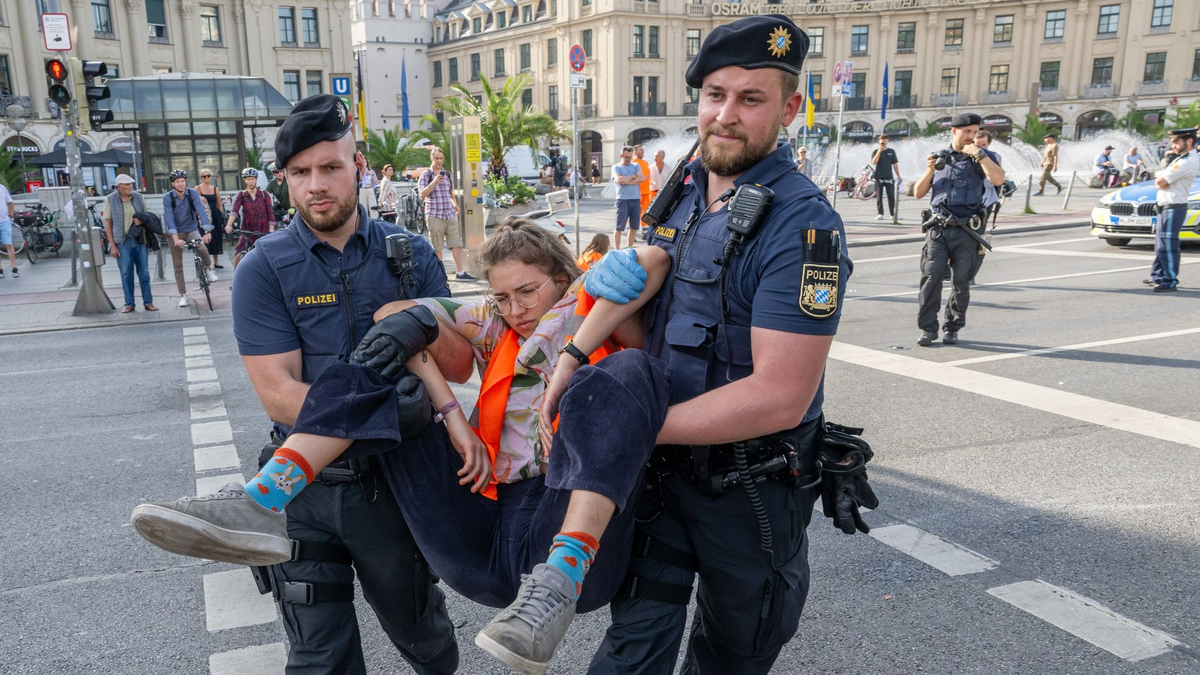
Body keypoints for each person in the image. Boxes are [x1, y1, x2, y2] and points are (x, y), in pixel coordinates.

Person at [133, 215, 670, 675]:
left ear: (560, 278)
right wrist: (451, 413)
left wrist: (570, 362)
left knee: (631, 368)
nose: (516, 309)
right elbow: (391, 316)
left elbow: (652, 262)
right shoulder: (492, 323)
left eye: (527, 292)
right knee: (393, 352)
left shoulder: (587, 303)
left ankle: (559, 579)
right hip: (484, 535)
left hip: (564, 527)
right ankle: (265, 498)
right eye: (502, 297)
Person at [580, 16, 874, 675]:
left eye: (751, 98)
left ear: (790, 107)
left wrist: (634, 426)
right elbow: (653, 337)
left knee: (729, 660)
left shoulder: (806, 228)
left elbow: (779, 394)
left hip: (748, 495)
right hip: (663, 483)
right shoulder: (683, 195)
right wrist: (600, 312)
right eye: (716, 95)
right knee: (629, 656)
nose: (726, 115)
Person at [132, 95, 460, 675]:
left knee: (427, 643)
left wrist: (420, 315)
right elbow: (279, 393)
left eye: (331, 167)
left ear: (357, 168)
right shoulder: (264, 266)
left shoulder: (408, 254)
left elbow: (458, 367)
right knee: (319, 661)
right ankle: (258, 503)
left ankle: (254, 499)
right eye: (301, 172)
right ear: (283, 180)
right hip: (306, 494)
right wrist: (390, 413)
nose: (317, 185)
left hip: (398, 487)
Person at [913, 113, 1005, 346]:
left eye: (975, 132)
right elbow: (918, 192)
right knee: (931, 278)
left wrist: (981, 155)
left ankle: (952, 327)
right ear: (954, 131)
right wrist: (930, 169)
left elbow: (998, 179)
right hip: (939, 229)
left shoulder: (983, 156)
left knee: (961, 282)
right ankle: (928, 329)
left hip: (967, 230)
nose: (971, 137)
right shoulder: (940, 158)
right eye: (967, 132)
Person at [1145, 128, 1198, 293]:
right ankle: (1158, 276)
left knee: (1168, 246)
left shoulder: (1186, 161)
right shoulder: (1180, 158)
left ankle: (1169, 280)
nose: (1173, 145)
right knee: (1160, 245)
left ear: (1189, 141)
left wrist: (1162, 175)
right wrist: (1164, 176)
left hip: (1173, 207)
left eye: (1176, 141)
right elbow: (1163, 182)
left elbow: (1160, 182)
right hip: (1165, 206)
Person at [418, 146, 476, 281]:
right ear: (431, 158)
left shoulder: (447, 173)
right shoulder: (426, 175)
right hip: (434, 213)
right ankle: (440, 274)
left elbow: (450, 191)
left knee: (456, 243)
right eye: (437, 158)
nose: (439, 161)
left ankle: (460, 272)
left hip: (449, 213)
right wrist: (433, 182)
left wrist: (455, 204)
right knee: (437, 245)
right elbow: (422, 194)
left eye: (441, 158)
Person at [103, 175, 157, 312]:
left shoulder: (138, 197)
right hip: (122, 241)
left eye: (131, 184)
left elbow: (147, 215)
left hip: (140, 239)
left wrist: (142, 220)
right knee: (126, 273)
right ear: (119, 187)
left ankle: (148, 302)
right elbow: (108, 223)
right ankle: (129, 303)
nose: (130, 187)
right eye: (126, 185)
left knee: (144, 272)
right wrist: (112, 245)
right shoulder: (111, 199)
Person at [162, 169, 215, 308]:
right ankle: (183, 295)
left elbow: (202, 212)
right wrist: (175, 239)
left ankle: (209, 269)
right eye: (178, 182)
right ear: (173, 184)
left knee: (202, 246)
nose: (181, 184)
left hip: (191, 228)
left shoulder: (192, 193)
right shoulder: (168, 198)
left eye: (183, 181)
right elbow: (169, 218)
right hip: (176, 233)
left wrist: (207, 231)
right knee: (178, 265)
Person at [965, 131, 1002, 285]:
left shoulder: (994, 157)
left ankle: (970, 273)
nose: (981, 149)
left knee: (978, 239)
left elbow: (995, 180)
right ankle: (956, 270)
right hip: (966, 204)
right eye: (977, 145)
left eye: (984, 145)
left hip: (985, 203)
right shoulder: (964, 157)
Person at [226, 167, 276, 268]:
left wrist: (271, 231)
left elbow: (270, 213)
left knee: (267, 255)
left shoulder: (263, 194)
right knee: (238, 255)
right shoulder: (242, 195)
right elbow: (235, 211)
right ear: (245, 180)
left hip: (263, 229)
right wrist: (229, 225)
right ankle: (237, 279)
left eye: (252, 179)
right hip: (247, 229)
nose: (250, 181)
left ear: (256, 179)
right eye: (248, 179)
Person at [612, 146, 643, 250]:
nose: (629, 159)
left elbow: (641, 178)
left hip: (635, 199)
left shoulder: (636, 165)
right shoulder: (616, 167)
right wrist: (634, 176)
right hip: (622, 199)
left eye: (630, 157)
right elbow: (619, 181)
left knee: (634, 226)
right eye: (626, 157)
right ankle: (617, 249)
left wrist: (626, 180)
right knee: (619, 226)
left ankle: (629, 247)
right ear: (621, 156)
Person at [196, 169, 226, 269]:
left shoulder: (215, 189)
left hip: (215, 215)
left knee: (216, 238)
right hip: (203, 215)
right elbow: (194, 202)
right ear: (201, 178)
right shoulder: (198, 188)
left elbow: (219, 203)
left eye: (208, 176)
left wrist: (220, 214)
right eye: (204, 176)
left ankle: (216, 262)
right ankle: (205, 262)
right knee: (204, 239)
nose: (207, 178)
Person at [871, 134, 902, 221]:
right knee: (879, 196)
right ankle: (880, 213)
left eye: (885, 140)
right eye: (881, 140)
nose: (883, 141)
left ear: (887, 141)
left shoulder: (892, 151)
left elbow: (895, 165)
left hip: (889, 177)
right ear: (879, 141)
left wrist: (898, 176)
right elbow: (874, 162)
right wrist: (879, 152)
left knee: (891, 196)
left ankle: (893, 214)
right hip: (878, 177)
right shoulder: (875, 151)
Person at [0, 180, 16, 279]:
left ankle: (14, 267)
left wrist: (10, 215)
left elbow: (10, 202)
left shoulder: (2, 188)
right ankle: (0, 269)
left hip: (4, 221)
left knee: (9, 244)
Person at [632, 144, 652, 217]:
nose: (642, 151)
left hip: (646, 191)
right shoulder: (633, 163)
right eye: (640, 150)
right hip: (637, 191)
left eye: (643, 150)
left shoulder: (645, 162)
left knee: (646, 210)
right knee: (635, 209)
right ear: (635, 152)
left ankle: (644, 226)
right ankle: (631, 225)